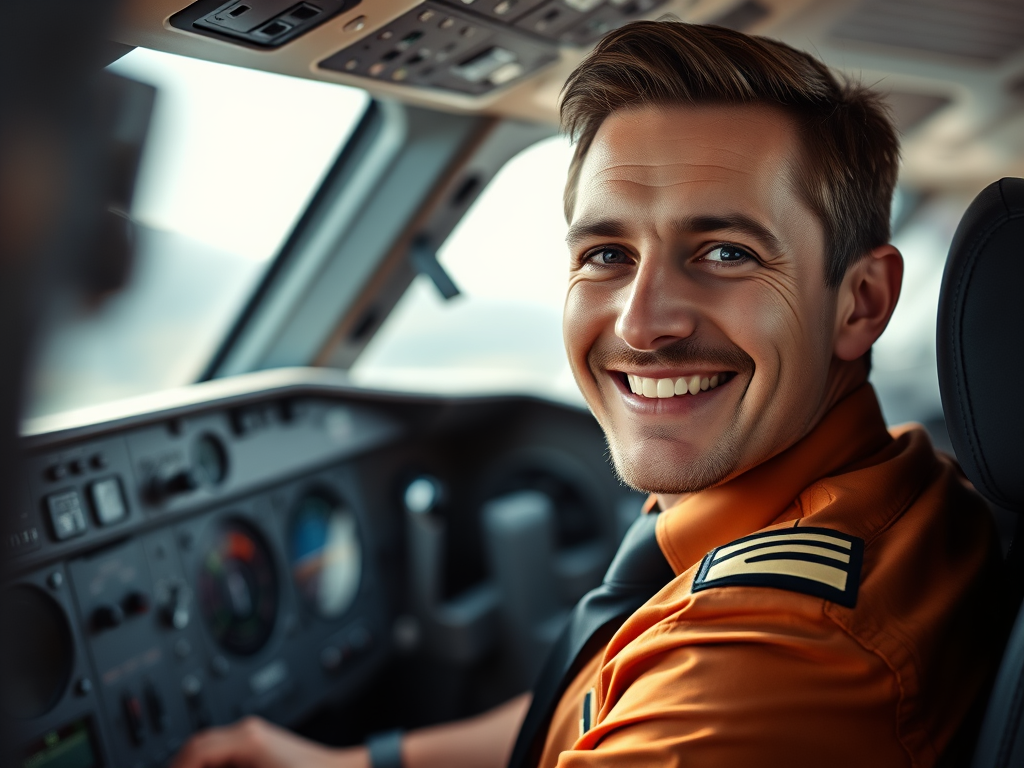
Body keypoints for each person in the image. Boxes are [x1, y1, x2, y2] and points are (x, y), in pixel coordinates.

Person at [171, 21, 1006, 768]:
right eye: (607, 254)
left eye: (724, 253)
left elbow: (681, 697)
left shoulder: (771, 660)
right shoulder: (879, 481)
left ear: (860, 301)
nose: (642, 325)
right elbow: (599, 702)